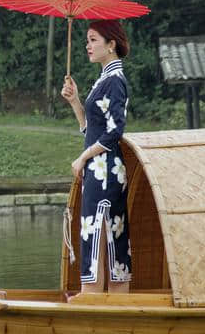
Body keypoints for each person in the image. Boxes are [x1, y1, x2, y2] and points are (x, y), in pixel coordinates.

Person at [61, 19, 131, 294]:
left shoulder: (114, 81)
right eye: (87, 40)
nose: (87, 46)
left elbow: (115, 132)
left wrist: (83, 157)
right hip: (98, 171)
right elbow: (92, 130)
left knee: (102, 234)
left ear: (111, 44)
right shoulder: (104, 79)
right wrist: (76, 101)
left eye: (93, 40)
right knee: (102, 235)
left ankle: (94, 299)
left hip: (106, 172)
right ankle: (98, 298)